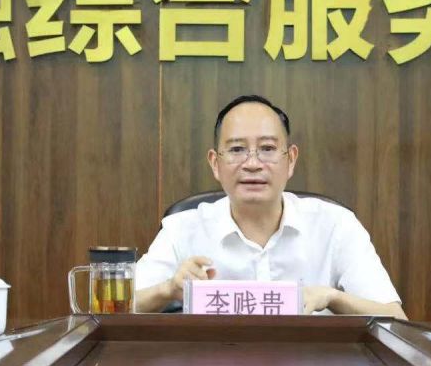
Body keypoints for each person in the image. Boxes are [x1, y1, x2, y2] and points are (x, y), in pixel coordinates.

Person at [136, 95, 406, 318]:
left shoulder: (336, 225)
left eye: (267, 148)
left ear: (291, 160)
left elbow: (394, 319)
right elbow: (121, 308)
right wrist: (168, 290)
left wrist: (332, 297)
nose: (253, 164)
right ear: (215, 164)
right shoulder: (183, 229)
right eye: (237, 150)